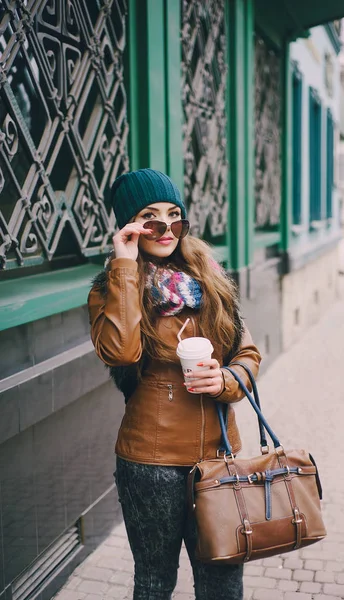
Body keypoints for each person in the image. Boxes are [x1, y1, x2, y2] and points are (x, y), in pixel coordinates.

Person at [88, 169, 262, 600]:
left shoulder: (212, 280)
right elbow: (122, 352)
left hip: (218, 459)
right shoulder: (112, 290)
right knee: (153, 582)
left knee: (223, 581)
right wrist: (126, 267)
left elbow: (248, 355)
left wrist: (224, 379)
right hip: (151, 463)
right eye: (150, 218)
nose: (166, 229)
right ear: (130, 226)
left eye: (174, 217)